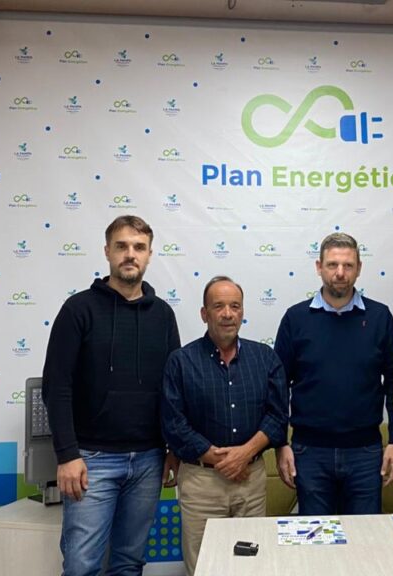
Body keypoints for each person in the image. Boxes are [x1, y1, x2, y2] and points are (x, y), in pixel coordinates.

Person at [42, 215, 182, 576]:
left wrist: (173, 449)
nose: (130, 254)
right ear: (107, 252)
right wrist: (67, 455)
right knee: (81, 566)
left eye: (139, 247)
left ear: (149, 254)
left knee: (129, 564)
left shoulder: (163, 315)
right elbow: (56, 387)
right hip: (91, 460)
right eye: (122, 246)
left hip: (149, 461)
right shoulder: (78, 310)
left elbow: (174, 391)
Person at [161, 276, 288, 576]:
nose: (227, 314)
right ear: (204, 313)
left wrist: (244, 454)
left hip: (250, 481)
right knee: (204, 567)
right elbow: (173, 423)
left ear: (242, 312)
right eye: (218, 306)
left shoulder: (265, 358)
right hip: (201, 484)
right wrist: (222, 460)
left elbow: (278, 415)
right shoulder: (181, 361)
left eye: (235, 306)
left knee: (251, 566)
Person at [273, 232, 393, 515]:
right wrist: (280, 443)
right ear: (319, 267)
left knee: (366, 536)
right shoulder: (295, 318)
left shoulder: (380, 317)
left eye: (348, 265)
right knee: (315, 536)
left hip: (366, 452)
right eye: (332, 265)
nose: (340, 273)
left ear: (359, 268)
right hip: (309, 453)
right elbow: (277, 386)